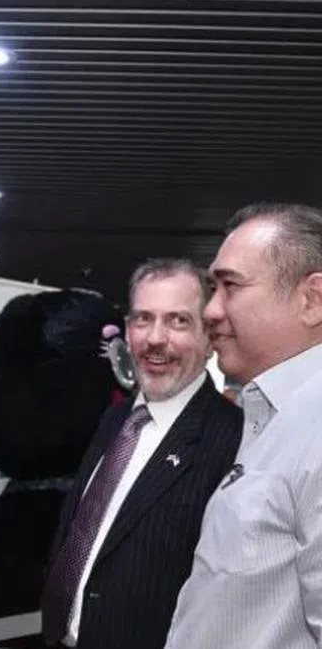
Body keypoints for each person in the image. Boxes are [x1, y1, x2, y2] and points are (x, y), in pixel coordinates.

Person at [41, 259, 241, 649]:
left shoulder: (232, 438)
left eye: (178, 321)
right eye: (143, 319)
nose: (155, 339)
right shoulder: (114, 418)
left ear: (208, 337)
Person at [165, 204, 322, 649]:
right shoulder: (277, 414)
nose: (211, 311)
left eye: (230, 286)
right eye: (213, 289)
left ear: (312, 300)